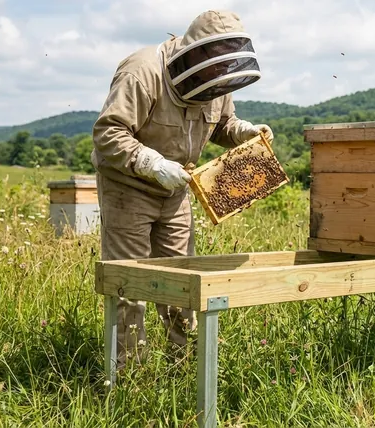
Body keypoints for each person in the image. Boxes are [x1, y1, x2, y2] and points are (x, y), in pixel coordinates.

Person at [91, 10, 272, 369]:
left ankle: (182, 364)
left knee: (183, 281)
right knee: (131, 282)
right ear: (195, 52)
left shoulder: (215, 79)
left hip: (177, 191)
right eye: (211, 68)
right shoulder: (142, 71)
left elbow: (222, 125)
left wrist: (244, 133)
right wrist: (151, 163)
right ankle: (130, 373)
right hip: (129, 188)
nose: (216, 79)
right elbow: (108, 133)